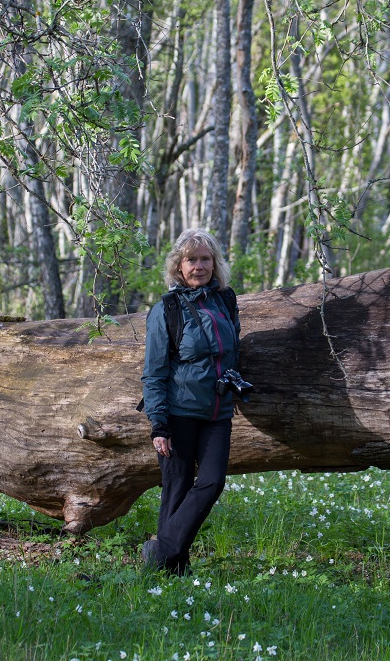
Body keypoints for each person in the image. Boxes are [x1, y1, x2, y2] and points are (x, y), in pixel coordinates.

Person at [140, 229, 241, 575]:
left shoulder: (226, 300)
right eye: (191, 260)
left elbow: (232, 350)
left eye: (205, 259)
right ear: (178, 267)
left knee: (212, 481)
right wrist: (159, 424)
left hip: (218, 411)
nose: (199, 266)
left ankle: (158, 552)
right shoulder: (165, 310)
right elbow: (154, 373)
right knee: (176, 490)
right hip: (178, 413)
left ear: (214, 264)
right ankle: (173, 571)